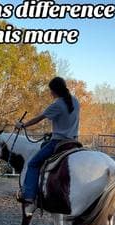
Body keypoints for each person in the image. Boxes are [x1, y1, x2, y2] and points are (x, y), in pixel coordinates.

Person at [15, 76, 80, 205]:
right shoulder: (75, 101)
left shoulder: (57, 104)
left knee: (33, 163)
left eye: (50, 90)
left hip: (59, 142)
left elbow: (39, 119)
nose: (50, 93)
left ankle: (28, 195)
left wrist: (22, 126)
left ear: (54, 91)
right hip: (74, 141)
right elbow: (67, 122)